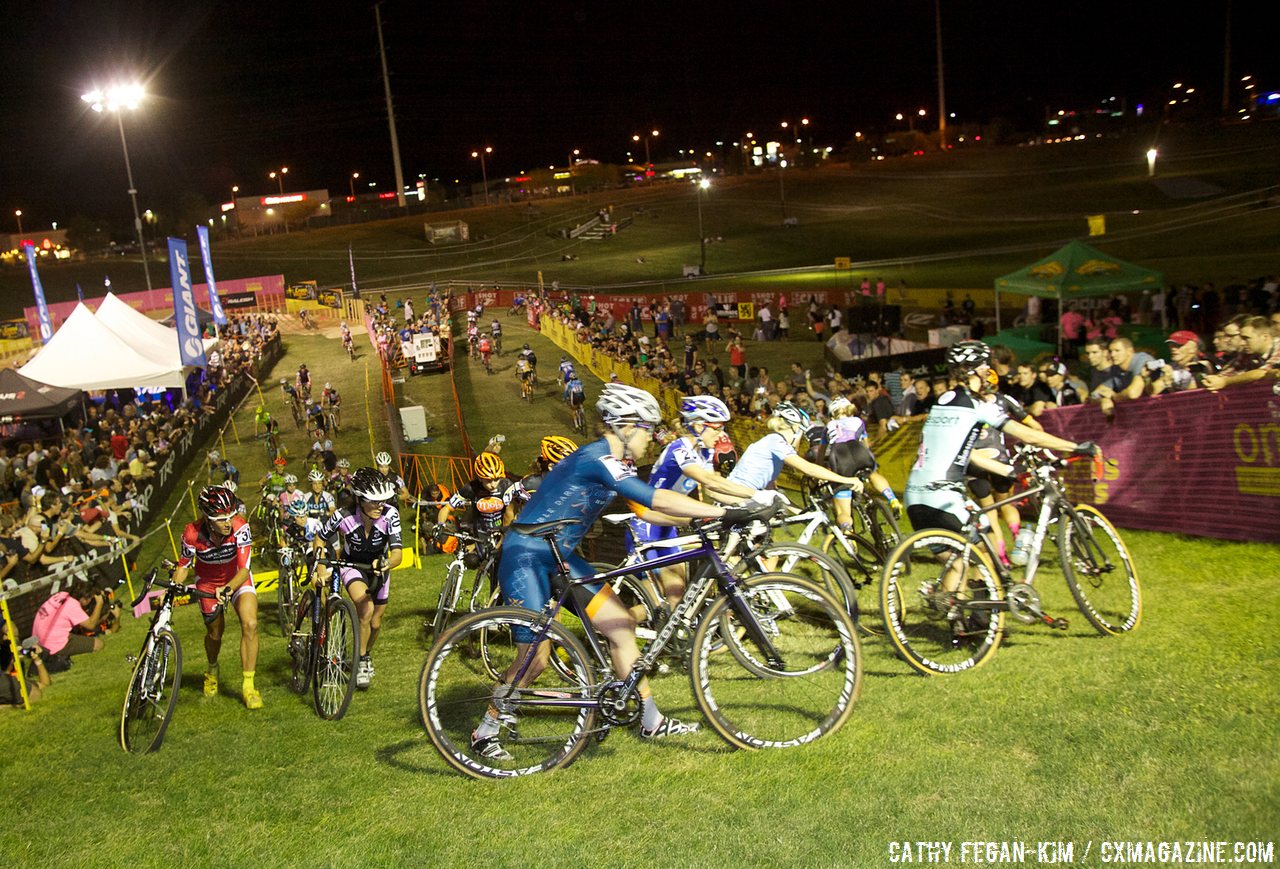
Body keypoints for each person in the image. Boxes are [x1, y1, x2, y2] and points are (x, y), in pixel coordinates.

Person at [475, 383, 775, 758]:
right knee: (535, 657)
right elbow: (655, 497)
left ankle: (650, 718)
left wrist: (700, 522)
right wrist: (722, 511)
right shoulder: (598, 458)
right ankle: (486, 729)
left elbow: (647, 512)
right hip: (527, 554)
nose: (652, 438)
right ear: (626, 425)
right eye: (649, 429)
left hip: (560, 553)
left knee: (621, 624)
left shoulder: (617, 463)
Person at [903, 341, 1096, 537]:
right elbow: (1029, 435)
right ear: (972, 370)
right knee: (987, 548)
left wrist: (1007, 469)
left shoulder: (941, 403)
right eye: (984, 365)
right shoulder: (977, 404)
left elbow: (966, 453)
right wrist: (1076, 447)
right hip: (943, 495)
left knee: (961, 562)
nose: (988, 369)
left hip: (913, 495)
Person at [628, 396, 761, 609]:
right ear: (698, 426)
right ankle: (618, 630)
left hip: (668, 525)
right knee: (653, 604)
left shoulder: (704, 452)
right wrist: (756, 494)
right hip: (647, 524)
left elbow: (713, 488)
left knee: (677, 595)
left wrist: (748, 502)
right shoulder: (680, 448)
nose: (721, 435)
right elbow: (707, 479)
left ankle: (675, 640)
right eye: (717, 428)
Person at [171, 486, 261, 709]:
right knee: (215, 633)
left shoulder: (240, 527)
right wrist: (173, 588)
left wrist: (228, 589)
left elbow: (244, 569)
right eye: (221, 518)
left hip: (236, 579)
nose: (228, 522)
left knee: (250, 623)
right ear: (207, 518)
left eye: (230, 516)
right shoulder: (192, 533)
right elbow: (184, 566)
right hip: (208, 582)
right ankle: (212, 668)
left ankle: (248, 686)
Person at [318, 468, 403, 690]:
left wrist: (385, 564)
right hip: (351, 566)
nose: (380, 506)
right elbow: (320, 538)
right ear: (359, 499)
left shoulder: (390, 514)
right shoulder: (343, 516)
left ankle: (365, 653)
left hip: (379, 567)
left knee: (375, 623)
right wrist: (320, 565)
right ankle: (361, 660)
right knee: (364, 611)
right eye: (374, 502)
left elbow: (397, 555)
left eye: (382, 501)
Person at [726, 402, 868, 496]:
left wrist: (798, 511)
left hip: (740, 493)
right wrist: (846, 480)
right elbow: (809, 469)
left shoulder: (772, 441)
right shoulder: (777, 442)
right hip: (738, 494)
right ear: (795, 428)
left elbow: (770, 487)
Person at [822, 396, 902, 526]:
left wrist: (820, 469)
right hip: (858, 451)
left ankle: (846, 529)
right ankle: (892, 499)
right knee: (872, 474)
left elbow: (821, 453)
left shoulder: (829, 425)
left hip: (840, 457)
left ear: (832, 415)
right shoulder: (857, 421)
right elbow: (866, 445)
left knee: (843, 510)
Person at [31, 584, 118, 659]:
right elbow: (91, 625)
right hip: (53, 644)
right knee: (99, 644)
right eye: (90, 599)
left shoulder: (61, 595)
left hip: (38, 641)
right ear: (84, 599)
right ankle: (58, 655)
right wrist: (99, 603)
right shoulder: (72, 605)